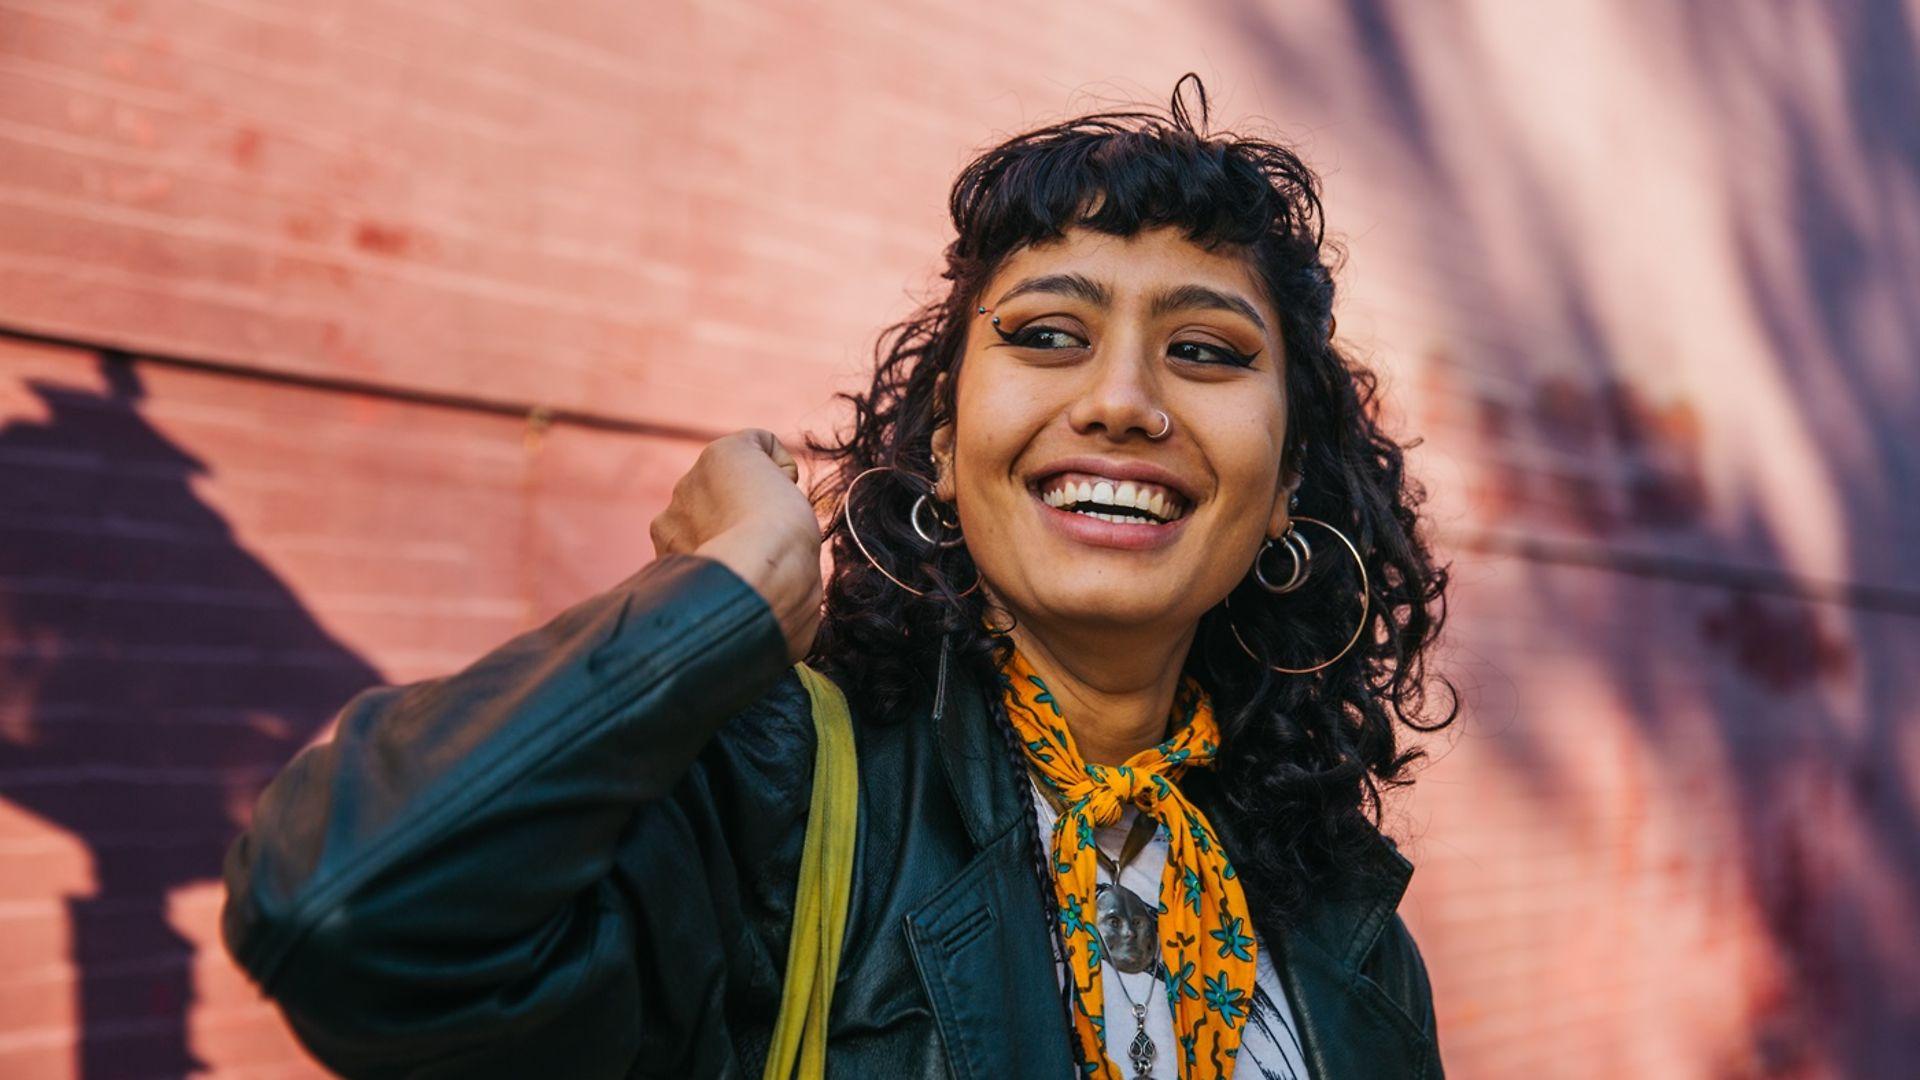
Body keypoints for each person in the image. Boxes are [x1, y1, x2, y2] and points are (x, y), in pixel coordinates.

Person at [221, 73, 1454, 1079]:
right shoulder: (777, 796)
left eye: (1203, 351)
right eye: (1045, 336)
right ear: (941, 440)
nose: (1122, 401)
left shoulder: (1342, 918)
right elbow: (344, 912)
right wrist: (724, 599)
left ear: (1287, 477)